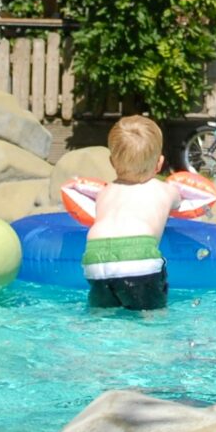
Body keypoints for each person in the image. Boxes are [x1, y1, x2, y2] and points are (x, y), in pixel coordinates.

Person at [82, 115, 176, 311]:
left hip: (96, 256)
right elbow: (180, 203)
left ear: (111, 162)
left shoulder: (104, 192)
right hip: (138, 255)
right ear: (159, 163)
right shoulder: (163, 189)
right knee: (151, 315)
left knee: (101, 313)